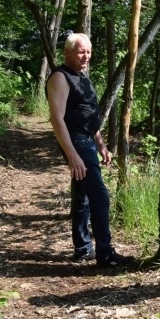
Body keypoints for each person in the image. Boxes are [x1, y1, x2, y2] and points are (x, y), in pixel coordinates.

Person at [47, 33, 133, 267]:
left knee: (83, 195)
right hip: (75, 141)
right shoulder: (60, 78)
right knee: (99, 195)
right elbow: (57, 119)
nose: (86, 56)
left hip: (86, 139)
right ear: (67, 52)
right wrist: (73, 155)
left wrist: (101, 144)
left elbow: (88, 112)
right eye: (81, 51)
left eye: (88, 52)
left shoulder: (81, 77)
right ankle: (105, 254)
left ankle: (83, 248)